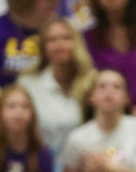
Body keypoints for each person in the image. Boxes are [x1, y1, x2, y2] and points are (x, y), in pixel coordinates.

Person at [17, 16, 98, 159]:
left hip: (85, 163)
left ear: (77, 43)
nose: (60, 44)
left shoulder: (93, 82)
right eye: (52, 40)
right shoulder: (28, 84)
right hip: (43, 161)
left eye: (67, 38)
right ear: (44, 48)